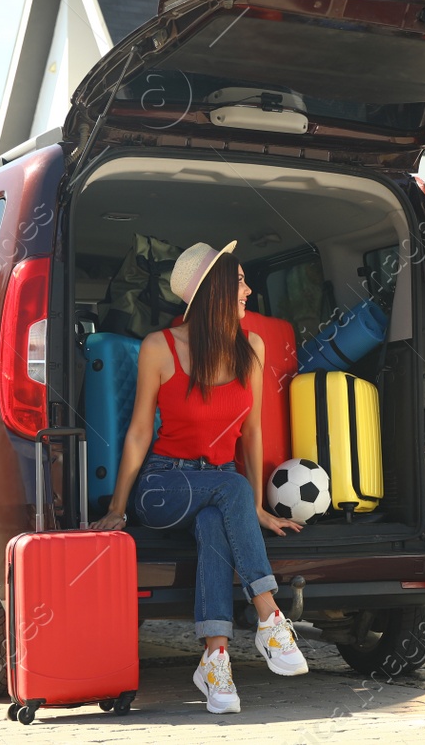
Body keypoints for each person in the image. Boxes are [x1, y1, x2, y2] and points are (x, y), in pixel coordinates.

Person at [92, 239, 308, 713]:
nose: (249, 291)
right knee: (228, 489)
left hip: (219, 489)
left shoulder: (251, 345)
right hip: (162, 486)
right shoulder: (161, 347)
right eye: (239, 283)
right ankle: (270, 620)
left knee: (216, 523)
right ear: (213, 292)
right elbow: (138, 433)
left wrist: (254, 509)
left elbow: (250, 433)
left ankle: (214, 661)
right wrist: (116, 508)